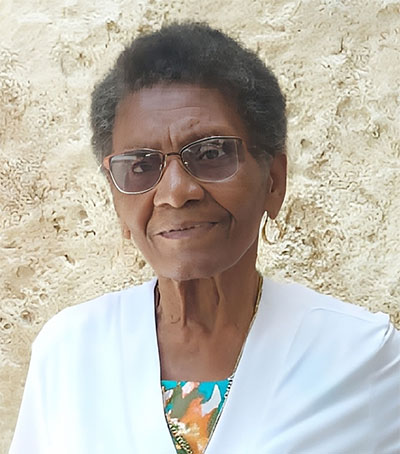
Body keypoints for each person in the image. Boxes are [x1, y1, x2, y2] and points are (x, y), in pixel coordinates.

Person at [10, 22, 400, 454]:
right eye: (140, 165)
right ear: (117, 198)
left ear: (273, 181)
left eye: (212, 153)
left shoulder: (362, 357)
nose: (176, 192)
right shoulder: (69, 353)